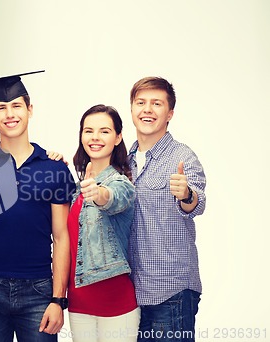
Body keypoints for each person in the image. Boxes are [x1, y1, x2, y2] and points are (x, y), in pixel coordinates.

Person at [0, 71, 76, 342]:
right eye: (1, 108)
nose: (9, 114)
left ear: (30, 109)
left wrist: (58, 300)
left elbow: (61, 237)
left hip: (37, 290)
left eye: (16, 106)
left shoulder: (53, 168)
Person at [127, 77, 206, 342]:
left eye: (156, 104)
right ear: (132, 109)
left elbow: (196, 203)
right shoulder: (123, 161)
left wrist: (186, 194)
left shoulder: (182, 157)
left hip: (170, 292)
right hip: (129, 295)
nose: (147, 109)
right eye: (141, 103)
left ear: (169, 113)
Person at [67, 104, 140, 342]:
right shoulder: (75, 191)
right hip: (78, 303)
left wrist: (98, 193)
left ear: (118, 137)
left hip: (115, 302)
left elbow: (112, 198)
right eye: (88, 131)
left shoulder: (121, 184)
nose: (95, 137)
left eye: (104, 131)